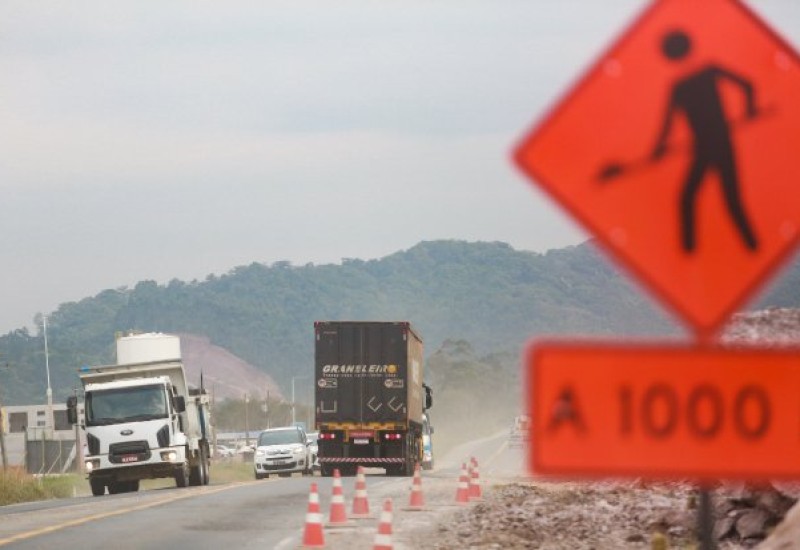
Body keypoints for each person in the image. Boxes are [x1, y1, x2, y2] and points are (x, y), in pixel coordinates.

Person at [650, 29, 759, 254]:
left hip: (715, 145)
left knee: (717, 199)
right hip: (711, 145)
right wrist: (750, 111)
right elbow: (747, 85)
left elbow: (666, 128)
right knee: (713, 199)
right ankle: (694, 254)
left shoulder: (684, 85)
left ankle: (746, 246)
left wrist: (658, 150)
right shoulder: (700, 77)